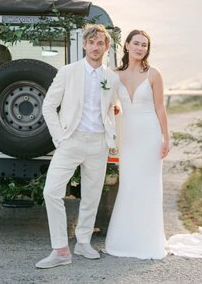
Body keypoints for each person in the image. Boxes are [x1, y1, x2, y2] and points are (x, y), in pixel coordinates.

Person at [36, 24, 119, 269]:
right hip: (70, 141)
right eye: (91, 42)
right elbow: (48, 106)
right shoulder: (67, 72)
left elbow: (112, 108)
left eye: (100, 43)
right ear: (84, 45)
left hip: (98, 142)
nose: (95, 47)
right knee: (51, 191)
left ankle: (83, 242)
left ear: (106, 47)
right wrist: (59, 138)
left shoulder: (112, 78)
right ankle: (61, 249)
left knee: (92, 196)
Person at [105, 29, 170, 259]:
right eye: (137, 43)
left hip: (150, 134)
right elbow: (110, 104)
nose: (141, 48)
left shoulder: (154, 74)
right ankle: (125, 238)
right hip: (128, 136)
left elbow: (160, 108)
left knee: (148, 187)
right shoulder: (114, 74)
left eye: (145, 45)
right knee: (129, 185)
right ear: (127, 45)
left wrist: (166, 138)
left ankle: (148, 240)